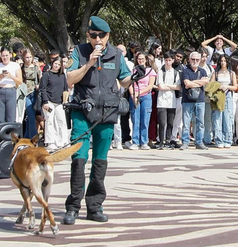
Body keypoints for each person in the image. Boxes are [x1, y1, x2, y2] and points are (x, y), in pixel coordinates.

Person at [62, 16, 130, 225]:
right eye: (93, 36)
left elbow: (124, 78)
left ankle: (95, 206)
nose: (97, 39)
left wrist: (136, 75)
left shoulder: (117, 54)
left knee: (100, 162)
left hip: (107, 114)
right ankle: (73, 207)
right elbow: (70, 79)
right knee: (79, 159)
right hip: (83, 112)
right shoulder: (79, 52)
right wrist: (90, 62)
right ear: (88, 36)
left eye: (101, 35)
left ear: (108, 36)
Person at [39, 52, 70, 149]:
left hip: (60, 103)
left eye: (59, 64)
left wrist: (65, 100)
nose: (57, 66)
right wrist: (45, 102)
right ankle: (50, 141)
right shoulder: (46, 75)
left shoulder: (62, 76)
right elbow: (42, 89)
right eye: (55, 63)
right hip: (49, 102)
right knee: (50, 121)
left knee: (61, 121)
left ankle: (63, 140)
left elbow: (65, 88)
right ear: (52, 63)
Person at [180, 49, 210, 148]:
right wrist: (199, 82)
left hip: (200, 100)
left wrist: (192, 83)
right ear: (189, 59)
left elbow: (206, 82)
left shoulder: (203, 71)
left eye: (197, 59)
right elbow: (187, 84)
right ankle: (185, 142)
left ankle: (199, 141)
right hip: (187, 100)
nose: (195, 61)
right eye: (193, 59)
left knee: (200, 122)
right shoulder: (185, 70)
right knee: (186, 122)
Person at [128, 51, 155, 149]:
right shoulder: (133, 70)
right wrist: (133, 95)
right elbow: (130, 83)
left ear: (146, 60)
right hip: (134, 96)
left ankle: (144, 141)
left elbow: (150, 85)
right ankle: (135, 141)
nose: (141, 61)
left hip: (146, 96)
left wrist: (140, 93)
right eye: (139, 59)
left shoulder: (150, 71)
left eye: (142, 59)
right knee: (135, 119)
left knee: (145, 120)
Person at [153, 52, 179, 147]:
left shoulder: (175, 72)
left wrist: (167, 86)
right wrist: (172, 87)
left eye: (169, 60)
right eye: (166, 60)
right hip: (162, 100)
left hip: (172, 100)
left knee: (170, 122)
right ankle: (161, 141)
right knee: (162, 122)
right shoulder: (161, 72)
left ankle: (168, 140)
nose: (168, 62)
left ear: (172, 60)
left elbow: (178, 87)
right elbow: (160, 86)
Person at [0, 46, 22, 124]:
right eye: (3, 56)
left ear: (10, 55)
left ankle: (10, 135)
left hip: (11, 90)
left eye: (7, 55)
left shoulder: (15, 65)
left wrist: (11, 76)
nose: (5, 58)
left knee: (11, 116)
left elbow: (20, 81)